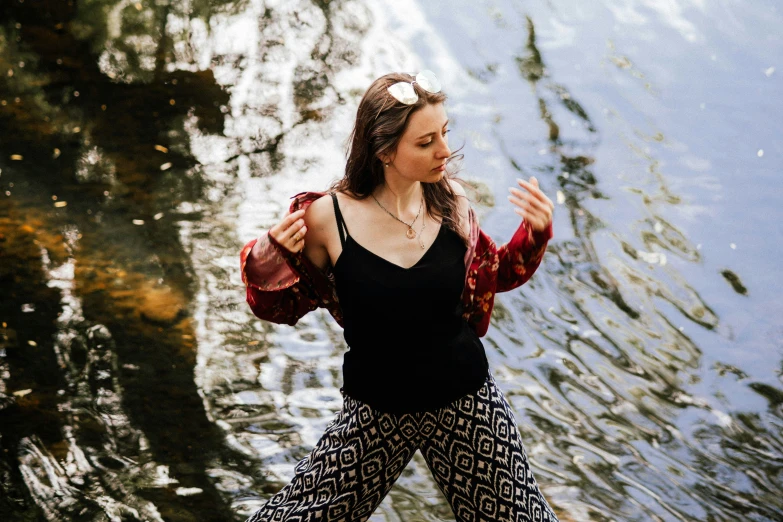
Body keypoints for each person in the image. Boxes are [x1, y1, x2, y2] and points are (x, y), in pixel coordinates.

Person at [240, 70, 559, 522]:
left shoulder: (453, 204)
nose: (444, 151)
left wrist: (536, 232)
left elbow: (495, 275)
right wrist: (268, 255)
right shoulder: (328, 218)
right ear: (384, 149)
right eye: (426, 142)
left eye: (444, 134)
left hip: (467, 402)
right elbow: (277, 305)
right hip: (376, 410)